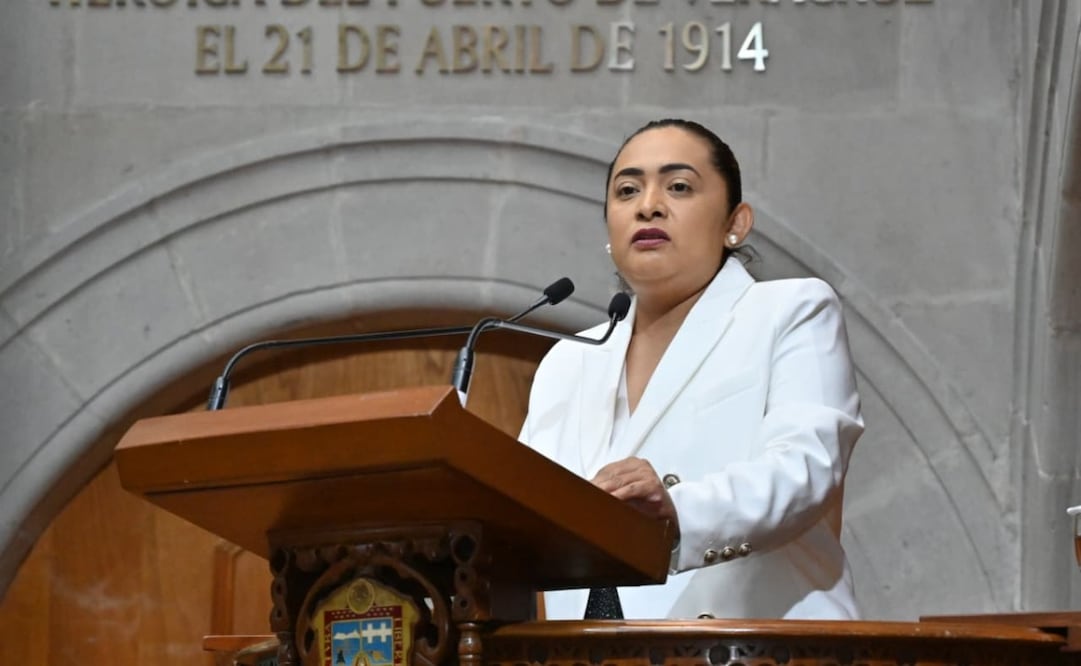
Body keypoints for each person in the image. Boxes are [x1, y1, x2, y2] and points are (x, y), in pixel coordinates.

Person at [518, 119, 864, 620]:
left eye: (678, 186)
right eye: (627, 190)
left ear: (735, 223)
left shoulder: (790, 310)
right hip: (578, 648)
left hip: (752, 643)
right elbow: (524, 509)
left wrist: (678, 512)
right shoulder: (568, 359)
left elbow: (804, 469)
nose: (648, 205)